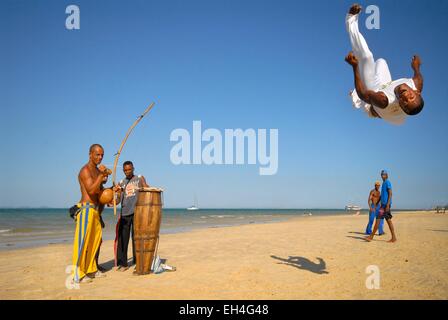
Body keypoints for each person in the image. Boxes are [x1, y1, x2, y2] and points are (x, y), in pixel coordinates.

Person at [344, 4, 424, 125]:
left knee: (366, 57)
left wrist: (355, 66)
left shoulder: (384, 100)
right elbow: (418, 73)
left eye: (404, 102)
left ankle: (351, 19)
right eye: (411, 97)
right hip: (388, 97)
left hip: (377, 100)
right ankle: (373, 110)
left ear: (400, 105)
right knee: (381, 61)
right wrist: (416, 65)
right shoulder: (416, 83)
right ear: (417, 92)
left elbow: (363, 94)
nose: (405, 97)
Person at [72, 144, 114, 283]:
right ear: (90, 154)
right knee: (83, 243)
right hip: (86, 209)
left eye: (102, 155)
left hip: (96, 212)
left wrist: (112, 192)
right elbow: (90, 190)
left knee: (94, 243)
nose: (100, 157)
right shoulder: (85, 170)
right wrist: (102, 174)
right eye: (97, 154)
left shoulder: (96, 171)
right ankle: (78, 274)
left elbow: (99, 193)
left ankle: (91, 270)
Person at [114, 161, 149, 271]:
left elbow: (146, 189)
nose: (127, 172)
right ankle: (123, 263)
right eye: (125, 170)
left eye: (129, 169)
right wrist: (114, 199)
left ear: (133, 168)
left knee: (137, 238)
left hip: (137, 212)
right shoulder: (121, 182)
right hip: (125, 213)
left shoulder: (139, 178)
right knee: (123, 239)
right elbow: (118, 199)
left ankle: (137, 261)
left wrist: (145, 185)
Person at [366, 170, 397, 243]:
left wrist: (388, 204)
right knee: (378, 219)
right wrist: (377, 204)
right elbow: (382, 196)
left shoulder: (387, 182)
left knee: (388, 221)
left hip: (386, 205)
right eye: (381, 174)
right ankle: (371, 236)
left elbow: (390, 193)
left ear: (386, 175)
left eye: (383, 174)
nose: (382, 176)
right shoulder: (383, 183)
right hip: (382, 206)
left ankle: (394, 237)